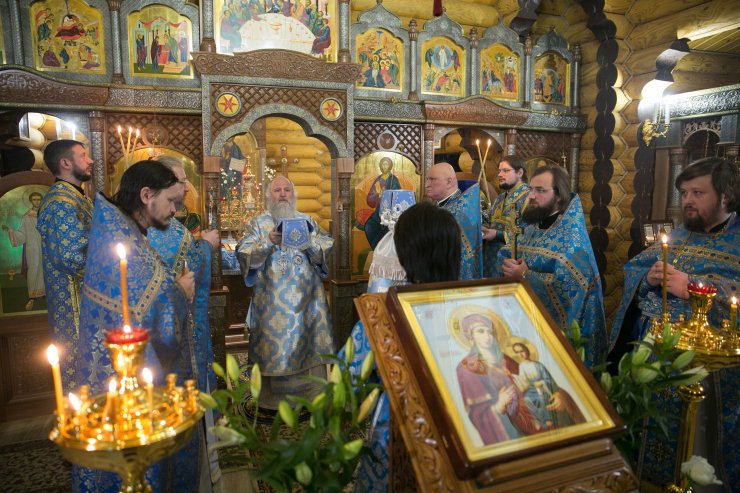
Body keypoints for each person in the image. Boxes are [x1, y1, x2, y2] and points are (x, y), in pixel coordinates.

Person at [74, 161, 204, 493]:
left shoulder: (123, 231)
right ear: (147, 195)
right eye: (171, 201)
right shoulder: (124, 244)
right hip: (126, 386)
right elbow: (157, 321)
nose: (175, 210)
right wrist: (180, 292)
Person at [610, 157, 739, 490]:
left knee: (693, 445)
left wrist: (694, 287)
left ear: (725, 196)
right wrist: (647, 279)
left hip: (705, 374)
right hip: (651, 359)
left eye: (698, 192)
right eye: (684, 193)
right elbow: (634, 270)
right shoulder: (680, 233)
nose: (687, 201)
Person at [236, 175, 334, 409]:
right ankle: (272, 401)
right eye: (277, 190)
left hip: (308, 302)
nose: (282, 194)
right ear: (269, 196)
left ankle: (311, 396)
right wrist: (268, 242)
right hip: (271, 303)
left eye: (286, 190)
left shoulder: (307, 221)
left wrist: (309, 243)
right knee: (273, 350)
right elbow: (244, 253)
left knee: (309, 345)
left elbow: (326, 247)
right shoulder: (258, 223)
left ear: (293, 194)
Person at [496, 165, 606, 368]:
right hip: (527, 326)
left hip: (560, 336)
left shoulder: (571, 239)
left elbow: (570, 290)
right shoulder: (533, 226)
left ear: (559, 196)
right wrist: (507, 262)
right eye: (531, 189)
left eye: (540, 190)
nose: (531, 196)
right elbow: (511, 251)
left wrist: (526, 275)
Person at [37, 139, 94, 389]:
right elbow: (69, 256)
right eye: (83, 155)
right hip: (73, 303)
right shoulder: (60, 202)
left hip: (87, 298)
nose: (90, 160)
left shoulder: (76, 197)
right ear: (65, 163)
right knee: (78, 366)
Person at [455, 313, 541, 445]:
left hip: (529, 413)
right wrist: (498, 406)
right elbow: (477, 414)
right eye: (480, 331)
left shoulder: (505, 358)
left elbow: (529, 383)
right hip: (509, 426)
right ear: (470, 336)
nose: (487, 336)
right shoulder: (467, 367)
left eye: (490, 332)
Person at [424, 162, 482, 280]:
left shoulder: (460, 213)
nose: (426, 185)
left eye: (432, 179)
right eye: (427, 179)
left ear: (449, 182)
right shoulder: (439, 206)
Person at [510, 341, 584, 431]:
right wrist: (513, 376)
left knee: (541, 399)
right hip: (532, 389)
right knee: (527, 399)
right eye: (517, 352)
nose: (521, 354)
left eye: (522, 351)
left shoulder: (538, 365)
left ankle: (548, 419)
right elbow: (523, 381)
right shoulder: (522, 366)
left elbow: (548, 379)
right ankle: (540, 420)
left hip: (543, 387)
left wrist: (542, 383)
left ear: (526, 350)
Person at [482, 156, 529, 278]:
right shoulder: (500, 198)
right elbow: (488, 219)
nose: (500, 174)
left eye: (506, 171)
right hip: (490, 261)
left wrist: (497, 234)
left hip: (511, 264)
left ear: (520, 173)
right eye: (499, 171)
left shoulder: (529, 198)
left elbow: (528, 234)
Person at [3, 191, 45, 310]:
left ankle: (47, 293)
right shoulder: (27, 217)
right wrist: (10, 231)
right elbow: (22, 234)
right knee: (33, 268)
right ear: (31, 201)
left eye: (39, 199)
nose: (37, 202)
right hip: (32, 247)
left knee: (46, 268)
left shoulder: (45, 214)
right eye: (34, 199)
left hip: (46, 246)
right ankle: (32, 297)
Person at [363, 156, 403, 249]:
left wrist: (385, 193)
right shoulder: (378, 179)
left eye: (386, 164)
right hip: (378, 211)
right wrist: (377, 194)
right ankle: (377, 248)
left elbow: (397, 195)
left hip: (390, 212)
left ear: (390, 166)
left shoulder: (393, 179)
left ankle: (384, 250)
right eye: (382, 164)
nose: (384, 166)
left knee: (388, 230)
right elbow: (370, 199)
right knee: (368, 226)